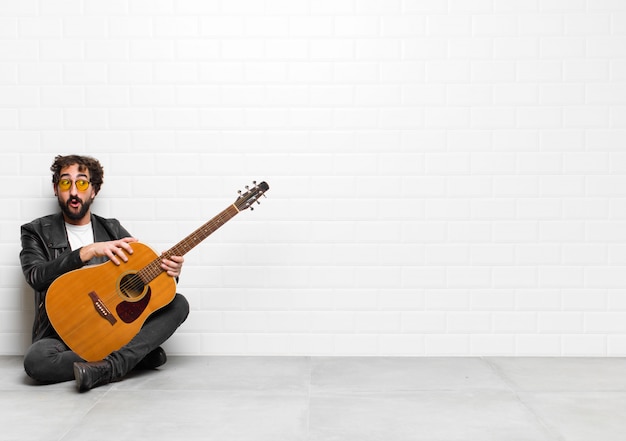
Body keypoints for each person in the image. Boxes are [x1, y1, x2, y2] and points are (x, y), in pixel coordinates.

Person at [19, 154, 190, 392]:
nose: (74, 192)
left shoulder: (112, 229)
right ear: (56, 189)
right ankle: (133, 357)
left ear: (94, 191)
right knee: (37, 361)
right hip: (59, 333)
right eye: (66, 183)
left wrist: (172, 272)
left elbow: (143, 280)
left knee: (179, 304)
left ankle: (109, 367)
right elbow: (35, 276)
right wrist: (86, 252)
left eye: (81, 183)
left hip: (108, 332)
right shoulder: (35, 231)